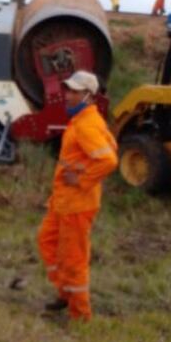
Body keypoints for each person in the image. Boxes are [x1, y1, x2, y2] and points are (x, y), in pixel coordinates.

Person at [37, 70, 118, 322]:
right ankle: (65, 293)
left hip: (77, 205)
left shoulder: (87, 125)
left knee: (74, 258)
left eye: (74, 91)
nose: (67, 95)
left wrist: (82, 180)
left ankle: (80, 315)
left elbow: (108, 160)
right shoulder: (83, 120)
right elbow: (110, 146)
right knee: (46, 241)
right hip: (63, 202)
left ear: (88, 95)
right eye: (68, 90)